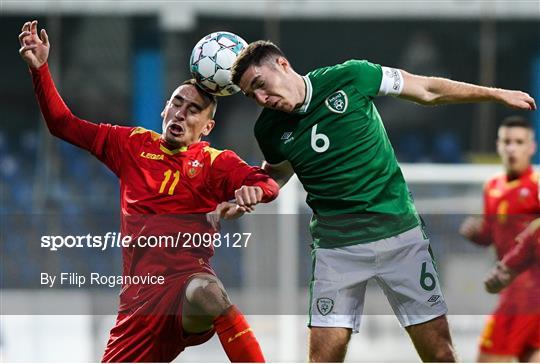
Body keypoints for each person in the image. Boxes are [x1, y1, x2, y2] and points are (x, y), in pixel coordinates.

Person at [230, 40, 536, 362]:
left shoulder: (351, 77)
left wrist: (496, 93)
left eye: (260, 85)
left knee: (440, 355)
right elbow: (277, 171)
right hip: (337, 249)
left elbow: (427, 90)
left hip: (399, 236)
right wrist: (253, 191)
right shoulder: (267, 129)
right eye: (252, 96)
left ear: (282, 64)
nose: (262, 99)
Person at [19, 20, 279, 363]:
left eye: (193, 110)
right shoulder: (131, 144)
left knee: (209, 292)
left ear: (207, 127)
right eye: (176, 103)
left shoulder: (216, 163)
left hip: (186, 287)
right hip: (140, 305)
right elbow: (62, 124)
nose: (181, 114)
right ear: (164, 109)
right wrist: (40, 70)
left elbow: (268, 184)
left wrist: (252, 193)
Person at [460, 117, 539, 362]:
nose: (512, 148)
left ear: (531, 147)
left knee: (488, 358)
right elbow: (493, 235)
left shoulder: (536, 185)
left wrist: (510, 265)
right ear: (498, 146)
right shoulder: (492, 186)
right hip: (511, 290)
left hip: (528, 292)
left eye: (519, 142)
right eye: (507, 141)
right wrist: (478, 234)